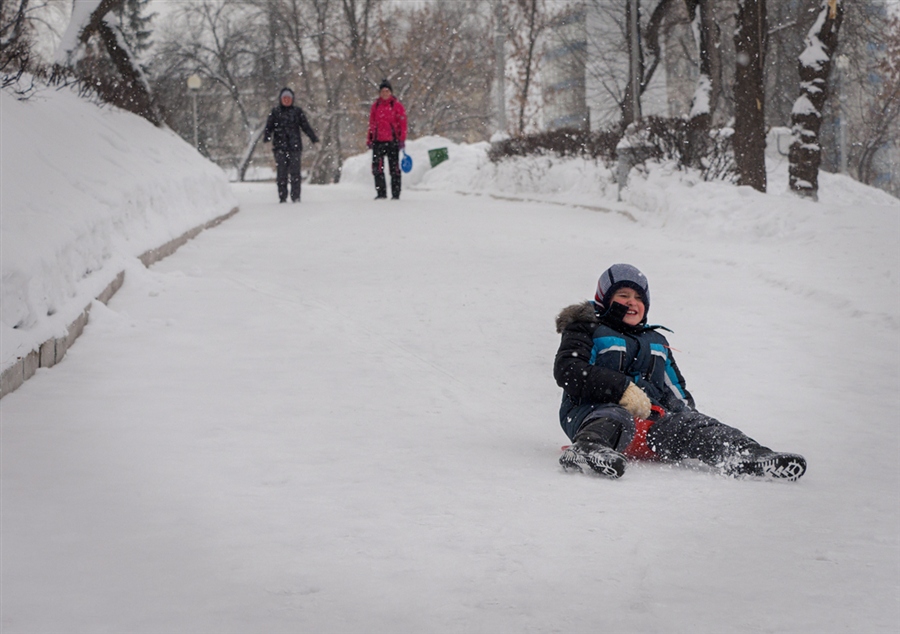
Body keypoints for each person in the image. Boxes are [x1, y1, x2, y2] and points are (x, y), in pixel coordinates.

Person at [553, 263, 807, 481]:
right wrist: (622, 389)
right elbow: (569, 370)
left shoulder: (656, 342)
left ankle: (749, 456)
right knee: (615, 415)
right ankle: (588, 450)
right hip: (591, 414)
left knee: (696, 425)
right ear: (604, 299)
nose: (632, 302)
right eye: (623, 295)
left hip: (650, 425)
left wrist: (688, 420)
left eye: (639, 298)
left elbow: (675, 389)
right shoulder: (586, 328)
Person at [263, 87, 318, 203]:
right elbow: (269, 128)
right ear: (281, 99)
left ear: (292, 99)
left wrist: (314, 139)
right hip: (279, 148)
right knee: (281, 174)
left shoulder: (297, 112)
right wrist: (266, 140)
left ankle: (296, 197)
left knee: (295, 174)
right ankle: (282, 197)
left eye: (289, 98)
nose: (286, 100)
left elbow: (306, 127)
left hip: (295, 147)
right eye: (284, 98)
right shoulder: (275, 112)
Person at [367, 79, 407, 200]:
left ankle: (395, 193)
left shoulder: (397, 106)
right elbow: (372, 124)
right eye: (382, 91)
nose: (385, 93)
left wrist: (401, 139)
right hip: (378, 141)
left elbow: (403, 124)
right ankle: (381, 193)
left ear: (390, 92)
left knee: (394, 168)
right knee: (377, 168)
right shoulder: (375, 106)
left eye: (387, 91)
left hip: (392, 141)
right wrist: (370, 139)